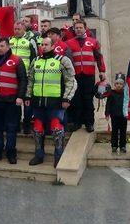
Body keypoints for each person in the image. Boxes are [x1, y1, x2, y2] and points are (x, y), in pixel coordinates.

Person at [26, 37, 77, 167]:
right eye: (41, 44)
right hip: (38, 102)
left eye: (46, 44)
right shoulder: (35, 61)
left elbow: (71, 80)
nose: (43, 46)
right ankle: (39, 155)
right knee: (37, 129)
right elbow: (30, 80)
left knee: (56, 129)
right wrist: (27, 96)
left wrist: (67, 98)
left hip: (56, 102)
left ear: (53, 46)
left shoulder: (62, 60)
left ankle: (58, 156)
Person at [0, 37, 28, 164]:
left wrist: (20, 96)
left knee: (11, 128)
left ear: (8, 47)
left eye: (2, 46)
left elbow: (23, 80)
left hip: (11, 100)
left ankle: (11, 153)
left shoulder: (16, 60)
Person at [66, 20, 106, 133]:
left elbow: (99, 57)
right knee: (76, 100)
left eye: (80, 27)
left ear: (85, 28)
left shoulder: (93, 42)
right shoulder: (69, 43)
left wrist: (102, 71)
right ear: (74, 29)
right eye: (76, 28)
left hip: (89, 75)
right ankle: (77, 123)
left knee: (88, 99)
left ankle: (89, 123)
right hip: (76, 75)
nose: (78, 29)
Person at [9, 21, 38, 134]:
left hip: (25, 75)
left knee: (27, 101)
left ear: (24, 29)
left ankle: (26, 125)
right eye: (15, 29)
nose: (16, 31)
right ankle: (16, 124)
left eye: (19, 29)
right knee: (15, 101)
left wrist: (31, 74)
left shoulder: (30, 41)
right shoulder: (9, 41)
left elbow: (34, 58)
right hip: (12, 74)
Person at [105, 76, 127, 154]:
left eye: (121, 84)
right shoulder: (111, 93)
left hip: (123, 116)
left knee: (123, 131)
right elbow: (108, 104)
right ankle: (114, 145)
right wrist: (107, 113)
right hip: (114, 116)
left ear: (123, 85)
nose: (119, 85)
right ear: (114, 85)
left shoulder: (125, 94)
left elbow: (128, 103)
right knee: (114, 131)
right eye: (117, 84)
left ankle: (123, 146)